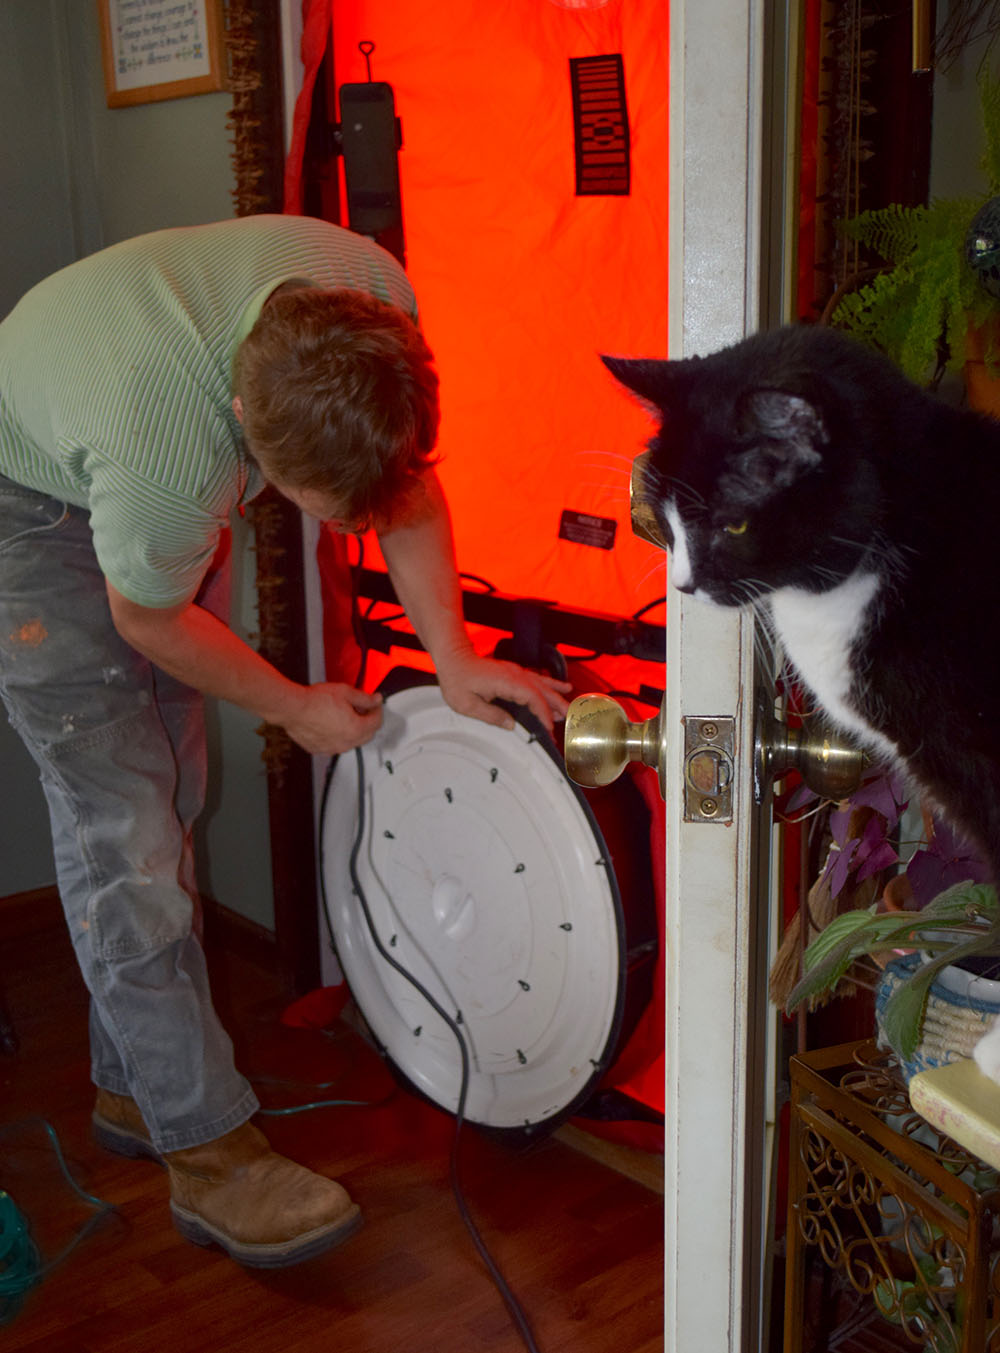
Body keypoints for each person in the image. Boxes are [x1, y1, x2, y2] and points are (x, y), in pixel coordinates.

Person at [0, 214, 570, 1268]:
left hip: (116, 426)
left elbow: (400, 489)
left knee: (172, 793)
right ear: (243, 436)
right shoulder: (171, 460)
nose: (360, 528)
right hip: (26, 498)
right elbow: (149, 620)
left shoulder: (374, 304)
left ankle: (136, 1084)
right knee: (124, 840)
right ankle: (208, 1153)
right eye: (329, 515)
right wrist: (293, 705)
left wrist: (452, 654)